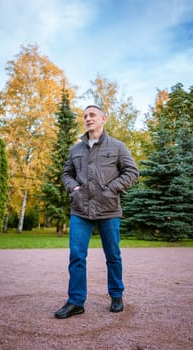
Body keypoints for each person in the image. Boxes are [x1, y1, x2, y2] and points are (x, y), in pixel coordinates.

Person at [55, 105, 139, 319]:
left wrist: (112, 189)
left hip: (109, 209)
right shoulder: (76, 149)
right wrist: (73, 188)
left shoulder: (118, 147)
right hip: (80, 209)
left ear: (103, 118)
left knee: (112, 255)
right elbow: (66, 174)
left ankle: (116, 295)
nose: (87, 119)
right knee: (76, 256)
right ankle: (75, 302)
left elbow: (132, 172)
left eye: (92, 115)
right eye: (85, 116)